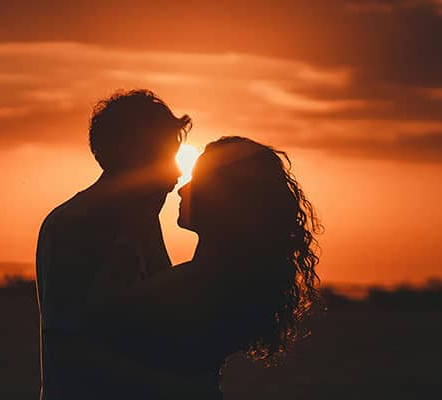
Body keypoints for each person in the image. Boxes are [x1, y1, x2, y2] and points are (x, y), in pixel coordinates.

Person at [76, 136, 323, 399]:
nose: (182, 189)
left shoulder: (198, 285)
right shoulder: (228, 280)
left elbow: (95, 317)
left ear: (225, 199)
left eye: (198, 181)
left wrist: (127, 227)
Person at [35, 89, 191, 399]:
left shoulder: (141, 222)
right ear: (129, 154)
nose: (176, 175)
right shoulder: (71, 225)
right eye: (163, 157)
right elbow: (70, 339)